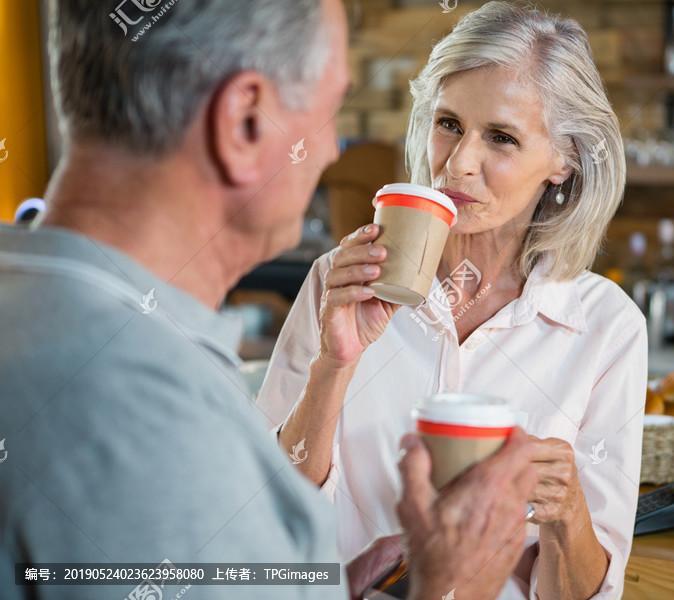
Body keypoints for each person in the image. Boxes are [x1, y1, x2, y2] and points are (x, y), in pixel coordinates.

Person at [0, 1, 537, 598]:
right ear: (245, 122)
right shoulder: (138, 405)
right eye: (330, 110)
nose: (331, 151)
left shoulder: (45, 312)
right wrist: (447, 586)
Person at [258, 2, 648, 599]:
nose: (459, 162)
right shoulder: (339, 283)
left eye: (501, 137)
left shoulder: (606, 327)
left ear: (563, 162)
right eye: (448, 124)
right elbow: (267, 514)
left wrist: (569, 512)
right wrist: (333, 368)